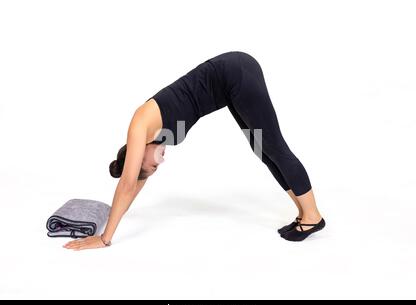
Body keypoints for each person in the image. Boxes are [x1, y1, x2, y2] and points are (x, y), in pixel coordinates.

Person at [64, 51, 325, 250]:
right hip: (233, 86)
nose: (160, 163)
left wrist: (105, 237)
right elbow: (136, 184)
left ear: (137, 153)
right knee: (263, 149)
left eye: (153, 166)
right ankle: (303, 212)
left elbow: (128, 182)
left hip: (235, 74)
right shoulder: (153, 140)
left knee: (275, 146)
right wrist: (118, 212)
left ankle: (313, 216)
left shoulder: (140, 125)